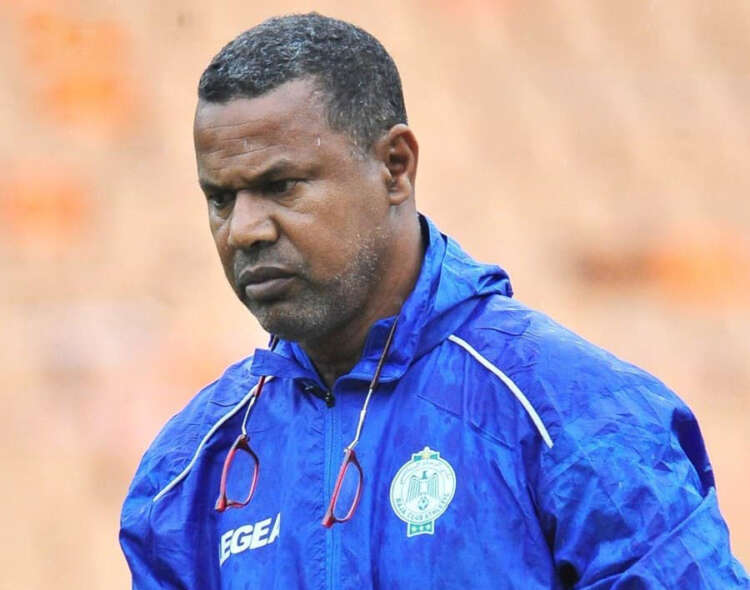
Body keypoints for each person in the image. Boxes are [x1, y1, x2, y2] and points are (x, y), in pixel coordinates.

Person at [120, 12, 749, 589]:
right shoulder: (186, 473)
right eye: (220, 199)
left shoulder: (571, 416)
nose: (244, 230)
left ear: (395, 166)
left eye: (280, 185)